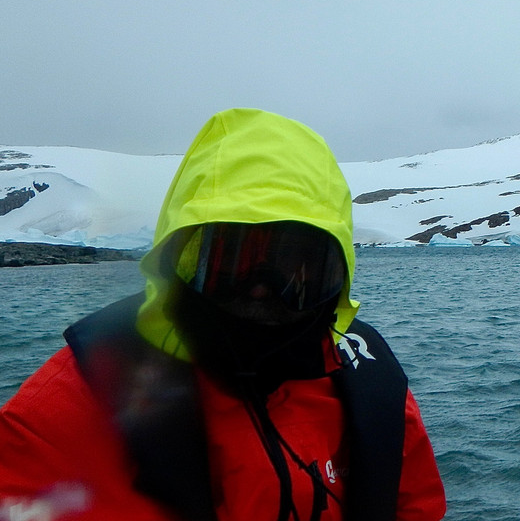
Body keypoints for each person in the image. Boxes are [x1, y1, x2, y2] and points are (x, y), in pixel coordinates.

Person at [0, 108, 446, 521]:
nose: (259, 287)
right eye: (230, 260)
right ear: (177, 261)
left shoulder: (370, 388)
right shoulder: (75, 407)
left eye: (293, 268)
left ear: (336, 274)